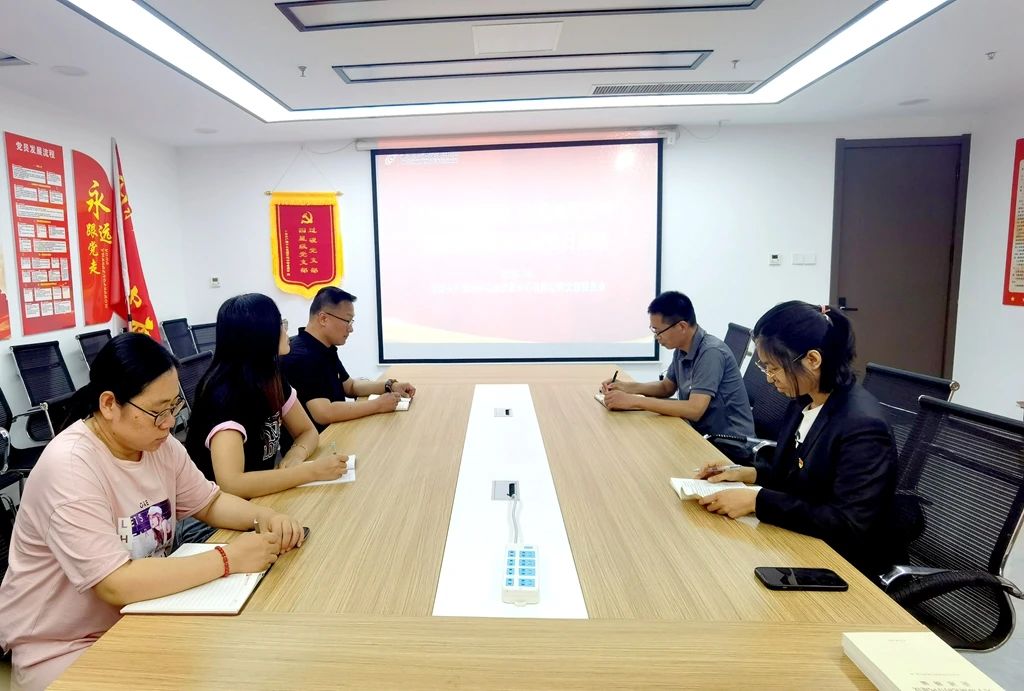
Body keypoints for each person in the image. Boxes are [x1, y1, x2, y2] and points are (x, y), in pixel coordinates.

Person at [0, 334, 304, 691]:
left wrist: (263, 517)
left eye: (174, 407)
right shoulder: (70, 467)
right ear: (109, 404)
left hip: (142, 613)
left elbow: (209, 502)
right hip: (64, 646)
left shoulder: (158, 445)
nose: (169, 422)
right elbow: (115, 583)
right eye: (158, 412)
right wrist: (228, 558)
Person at [695, 301, 899, 577]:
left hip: (842, 566)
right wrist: (748, 473)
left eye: (773, 368)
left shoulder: (862, 426)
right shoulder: (805, 400)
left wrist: (757, 501)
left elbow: (848, 524)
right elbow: (800, 474)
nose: (769, 379)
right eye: (764, 368)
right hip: (799, 541)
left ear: (813, 360)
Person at [184, 294, 350, 524]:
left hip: (261, 498)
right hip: (217, 518)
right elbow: (231, 483)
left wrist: (297, 454)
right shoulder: (225, 395)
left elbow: (307, 431)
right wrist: (310, 471)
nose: (285, 330)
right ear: (260, 336)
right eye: (280, 324)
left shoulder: (270, 375)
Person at [600, 291, 755, 443]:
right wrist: (627, 387)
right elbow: (666, 387)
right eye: (653, 330)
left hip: (728, 443)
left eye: (659, 331)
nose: (656, 337)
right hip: (699, 432)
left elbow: (694, 410)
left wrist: (634, 401)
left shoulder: (711, 353)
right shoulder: (682, 349)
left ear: (681, 326)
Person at [281, 287, 416, 431]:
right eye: (348, 321)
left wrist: (389, 385)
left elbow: (350, 386)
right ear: (323, 319)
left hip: (337, 431)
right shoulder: (301, 356)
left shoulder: (324, 347)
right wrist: (378, 405)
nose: (351, 329)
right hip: (320, 440)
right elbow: (324, 413)